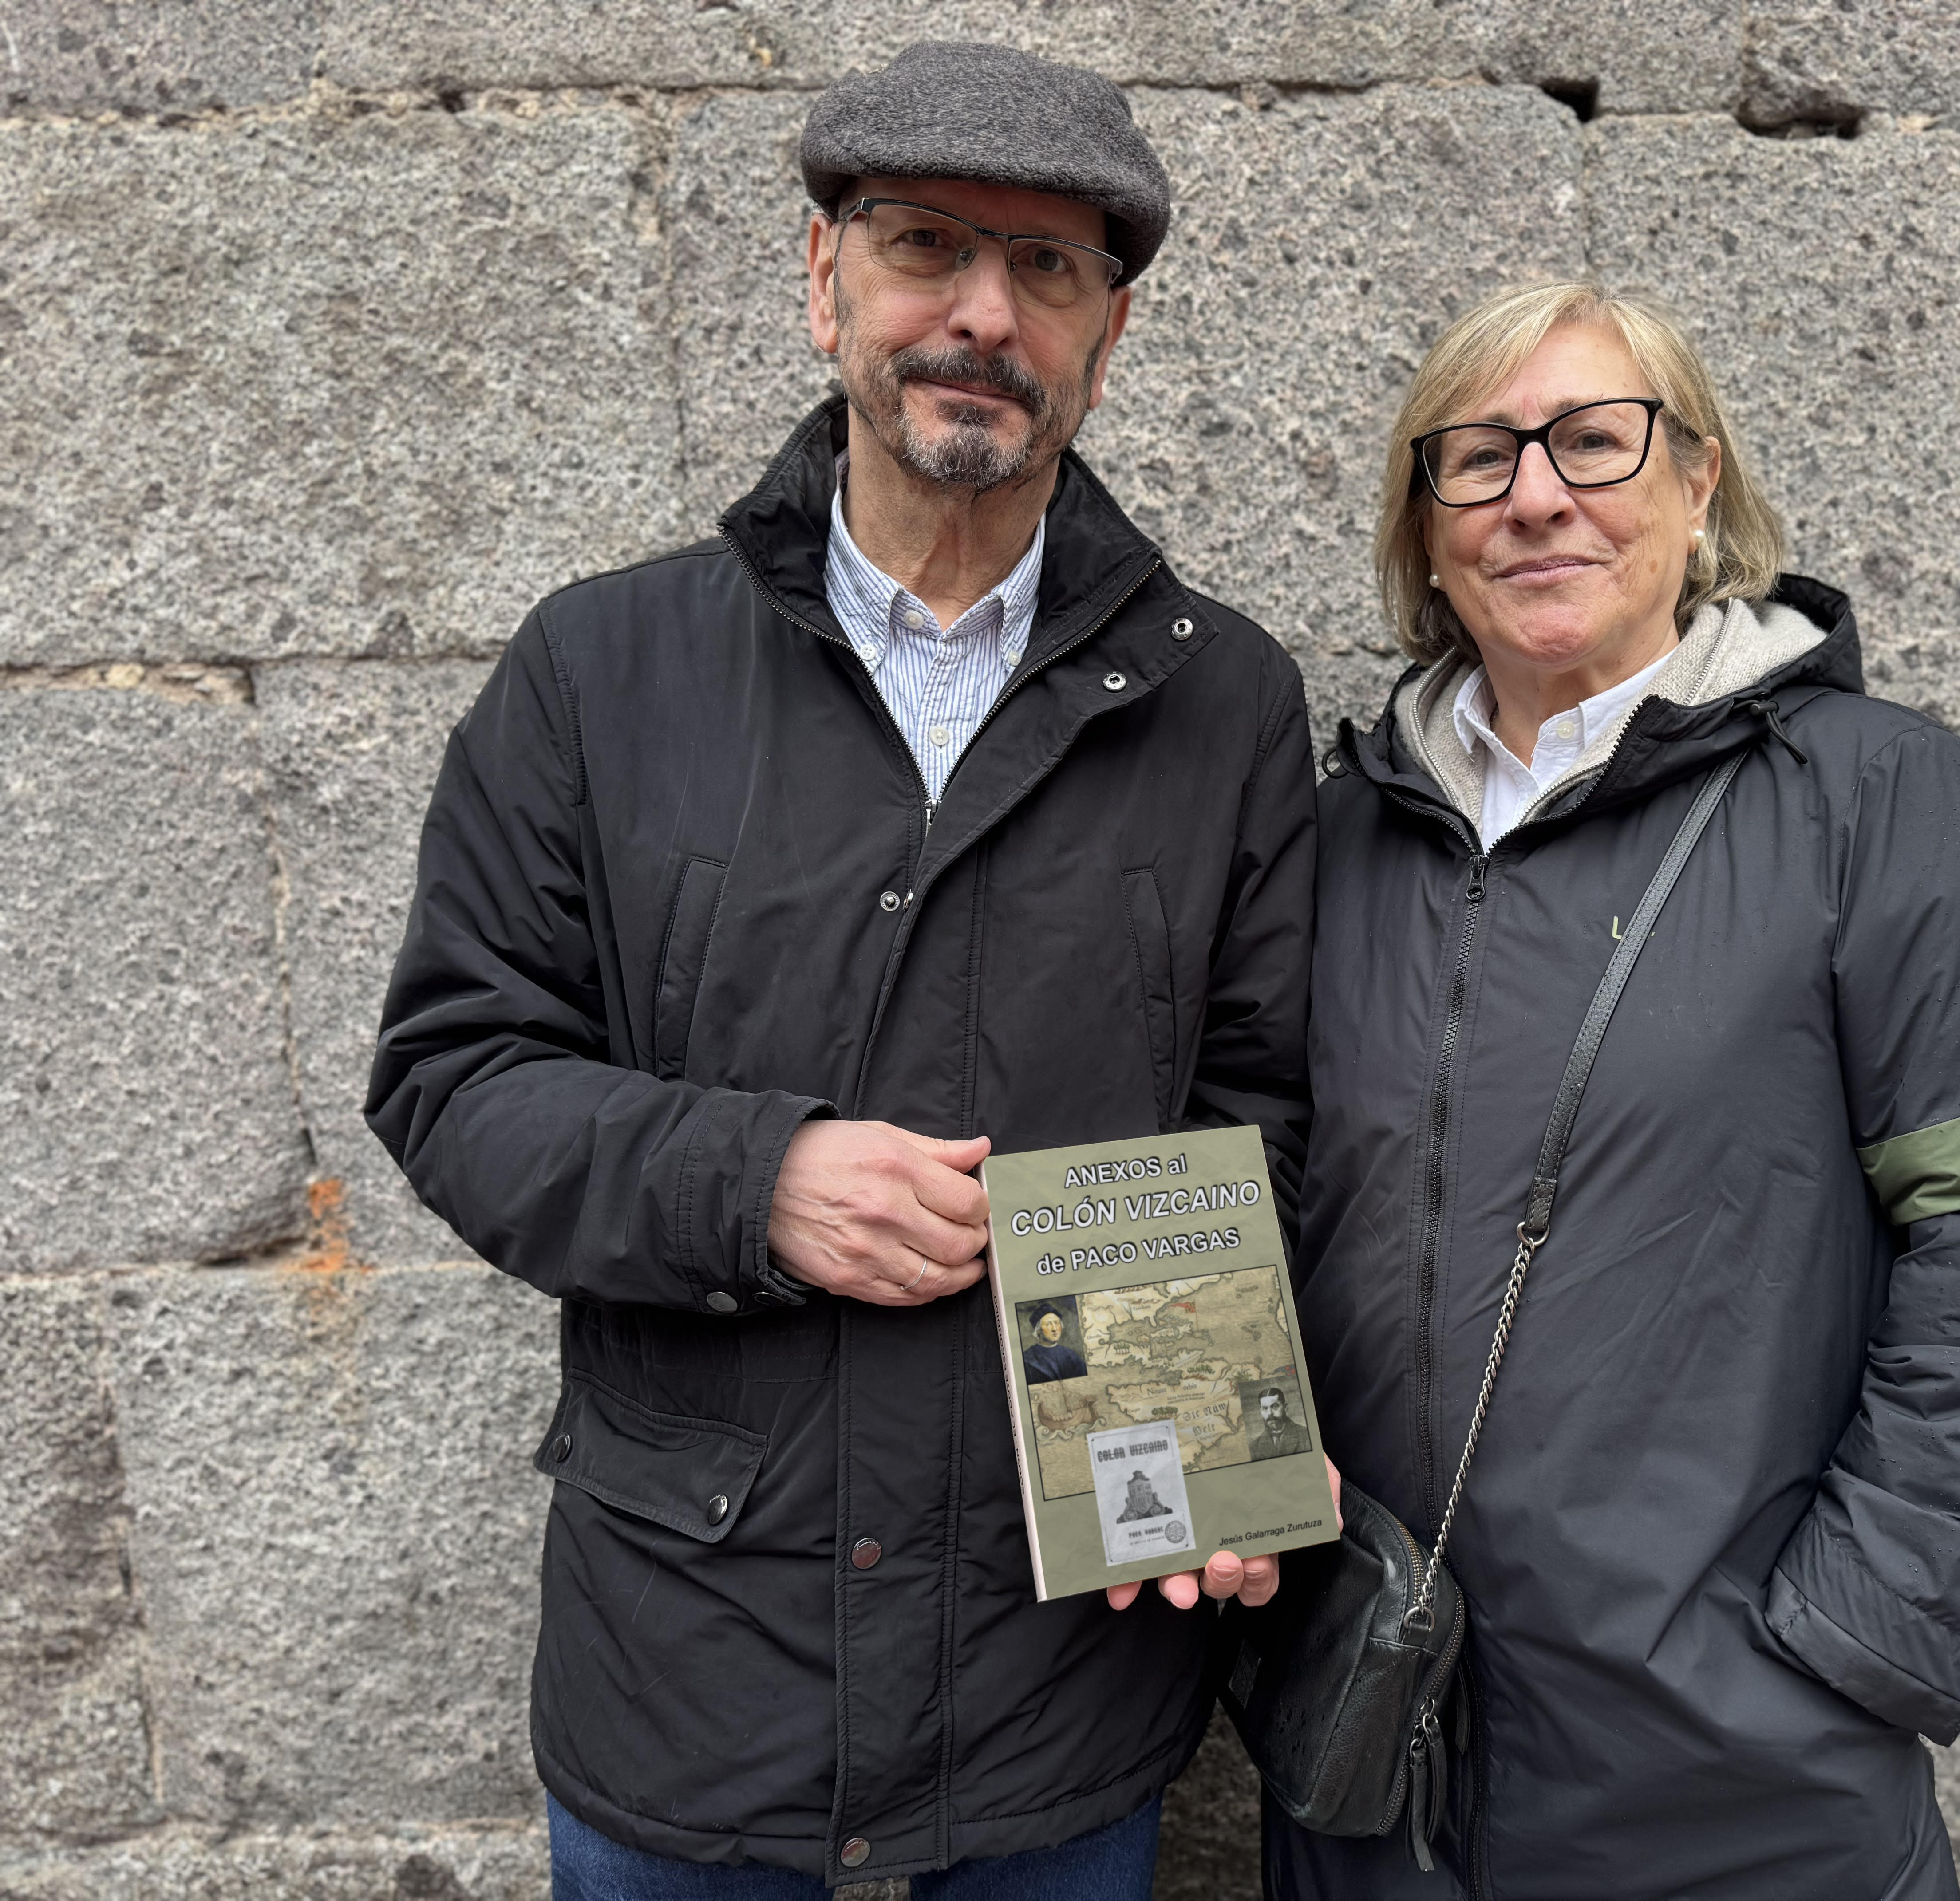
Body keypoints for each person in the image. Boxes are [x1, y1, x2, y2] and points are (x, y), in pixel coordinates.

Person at [365, 41, 1316, 1898]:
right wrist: (757, 1180)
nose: (984, 315)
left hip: (1054, 1687)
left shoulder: (1225, 706)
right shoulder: (600, 672)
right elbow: (457, 1077)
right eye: (925, 246)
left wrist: (1214, 1438)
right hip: (693, 1673)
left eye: (1047, 268)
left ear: (1108, 332)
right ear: (826, 282)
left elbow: (1261, 1114)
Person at [1278, 283, 1960, 1899]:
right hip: (1370, 1773)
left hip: (1741, 1796)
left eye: (1594, 442)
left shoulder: (1882, 803)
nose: (1536, 495)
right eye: (1477, 457)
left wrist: (1839, 1656)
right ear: (1425, 531)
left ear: (1697, 487)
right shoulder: (1332, 844)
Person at [1023, 1303, 1089, 1383]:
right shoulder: (1028, 1359)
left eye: (1057, 1323)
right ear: (1038, 1330)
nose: (1054, 1329)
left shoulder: (1071, 1355)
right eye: (1048, 1324)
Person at [1246, 1385, 1308, 1460]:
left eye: (1275, 1407)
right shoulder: (1253, 1448)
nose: (1270, 1413)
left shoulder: (1306, 1436)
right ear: (1261, 1412)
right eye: (1265, 1408)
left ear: (1285, 1407)